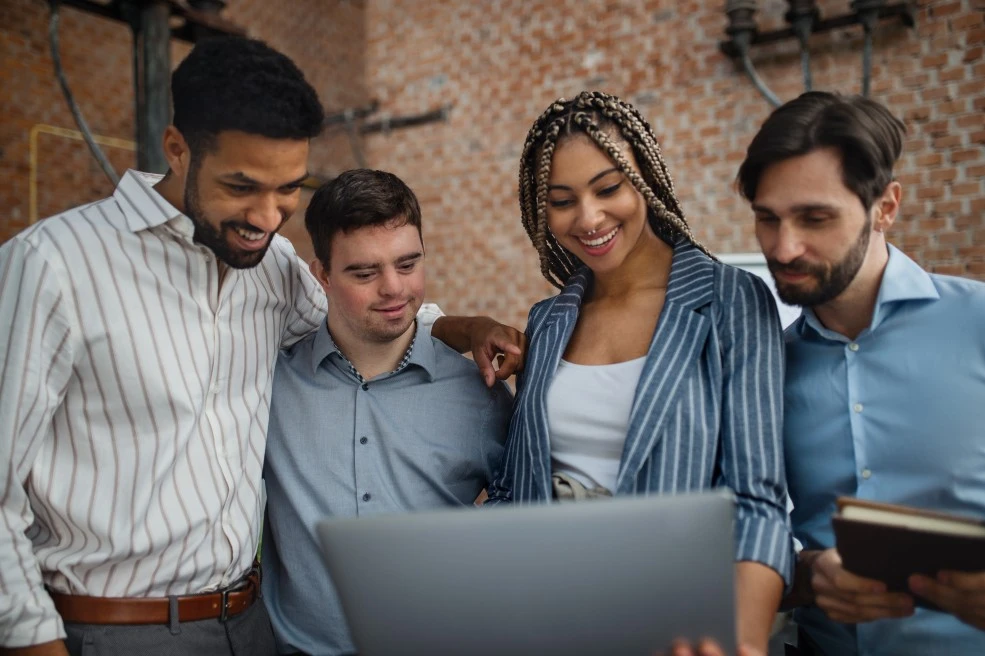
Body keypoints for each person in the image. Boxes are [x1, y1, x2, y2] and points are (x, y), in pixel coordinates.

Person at [0, 37, 521, 656]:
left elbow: (372, 316)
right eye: (243, 186)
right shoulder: (53, 265)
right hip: (114, 630)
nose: (269, 216)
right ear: (177, 149)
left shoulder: (269, 265)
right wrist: (31, 641)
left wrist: (464, 327)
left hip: (249, 628)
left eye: (287, 189)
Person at [483, 91, 793, 654]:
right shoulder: (548, 321)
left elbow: (756, 501)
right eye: (562, 200)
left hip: (678, 627)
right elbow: (515, 490)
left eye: (608, 188)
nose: (589, 218)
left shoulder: (730, 302)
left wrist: (743, 642)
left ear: (643, 178)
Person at [736, 91, 985, 655]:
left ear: (886, 207)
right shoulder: (763, 368)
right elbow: (746, 540)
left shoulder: (978, 323)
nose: (783, 247)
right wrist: (805, 576)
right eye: (767, 219)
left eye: (814, 218)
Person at [259, 168, 513, 655]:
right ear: (323, 276)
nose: (394, 288)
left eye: (408, 263)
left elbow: (527, 521)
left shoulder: (478, 392)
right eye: (364, 272)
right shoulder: (270, 387)